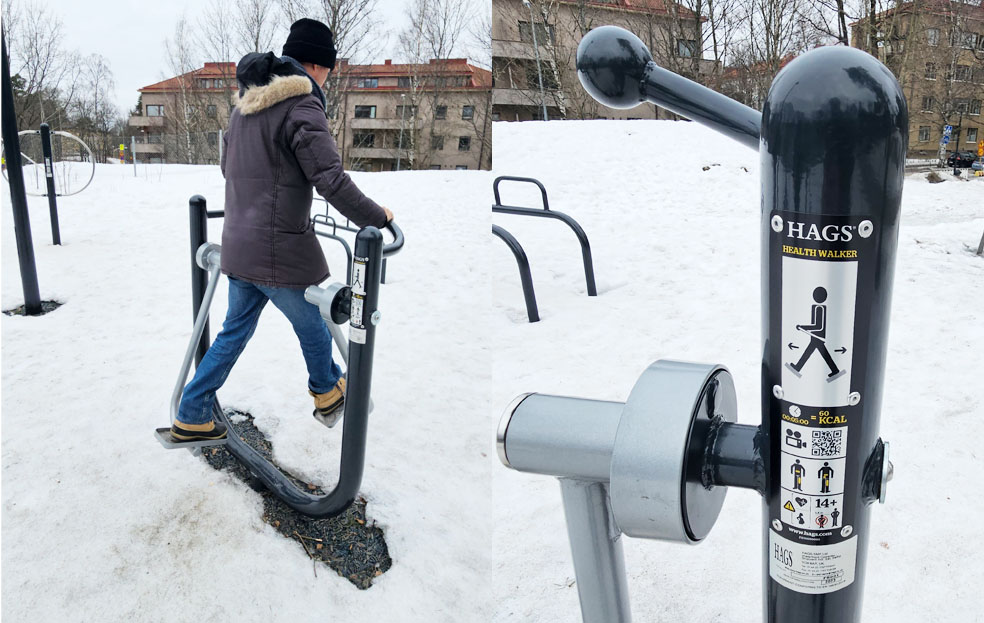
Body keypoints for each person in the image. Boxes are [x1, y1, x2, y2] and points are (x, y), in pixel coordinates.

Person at [171, 18, 392, 443]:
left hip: (240, 246)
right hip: (280, 249)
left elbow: (228, 169)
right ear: (318, 65)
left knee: (234, 332)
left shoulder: (243, 109)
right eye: (329, 67)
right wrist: (376, 218)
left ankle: (193, 411)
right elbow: (330, 179)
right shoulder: (302, 106)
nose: (330, 75)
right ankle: (326, 391)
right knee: (313, 321)